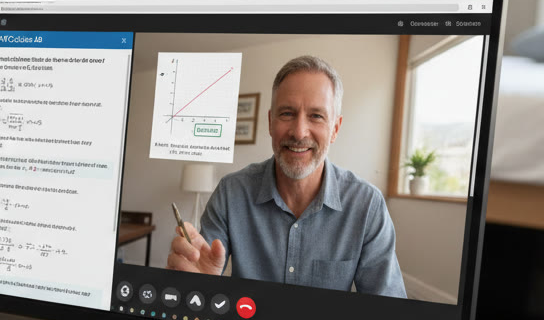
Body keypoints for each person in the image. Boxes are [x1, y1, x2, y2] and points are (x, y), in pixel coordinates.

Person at [168, 55, 406, 298]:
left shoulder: (367, 205)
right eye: (287, 114)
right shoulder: (231, 192)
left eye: (316, 116)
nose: (299, 132)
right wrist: (197, 286)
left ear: (335, 129)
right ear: (271, 123)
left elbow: (388, 310)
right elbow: (200, 275)